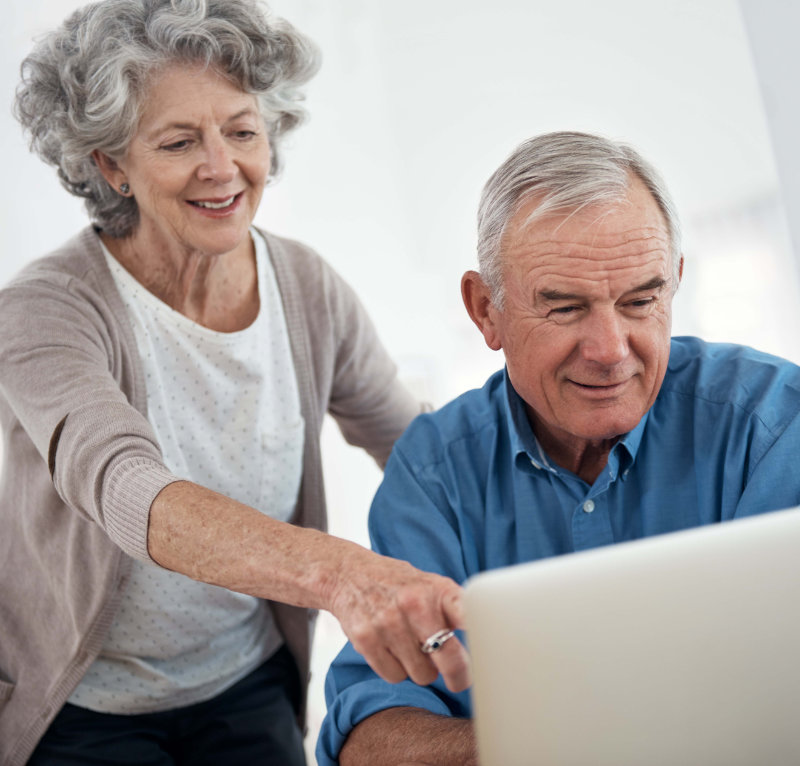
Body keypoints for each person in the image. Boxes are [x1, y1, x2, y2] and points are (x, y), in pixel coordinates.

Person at [0, 1, 471, 764]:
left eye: (243, 131)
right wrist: (344, 574)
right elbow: (126, 486)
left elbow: (419, 448)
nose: (223, 168)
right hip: (84, 707)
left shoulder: (307, 287)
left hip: (246, 683)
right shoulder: (45, 311)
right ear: (110, 164)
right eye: (180, 140)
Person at [316, 131, 800, 766]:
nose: (609, 349)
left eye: (641, 301)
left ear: (674, 286)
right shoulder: (434, 474)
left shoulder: (771, 423)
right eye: (567, 308)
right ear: (486, 310)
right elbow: (369, 733)